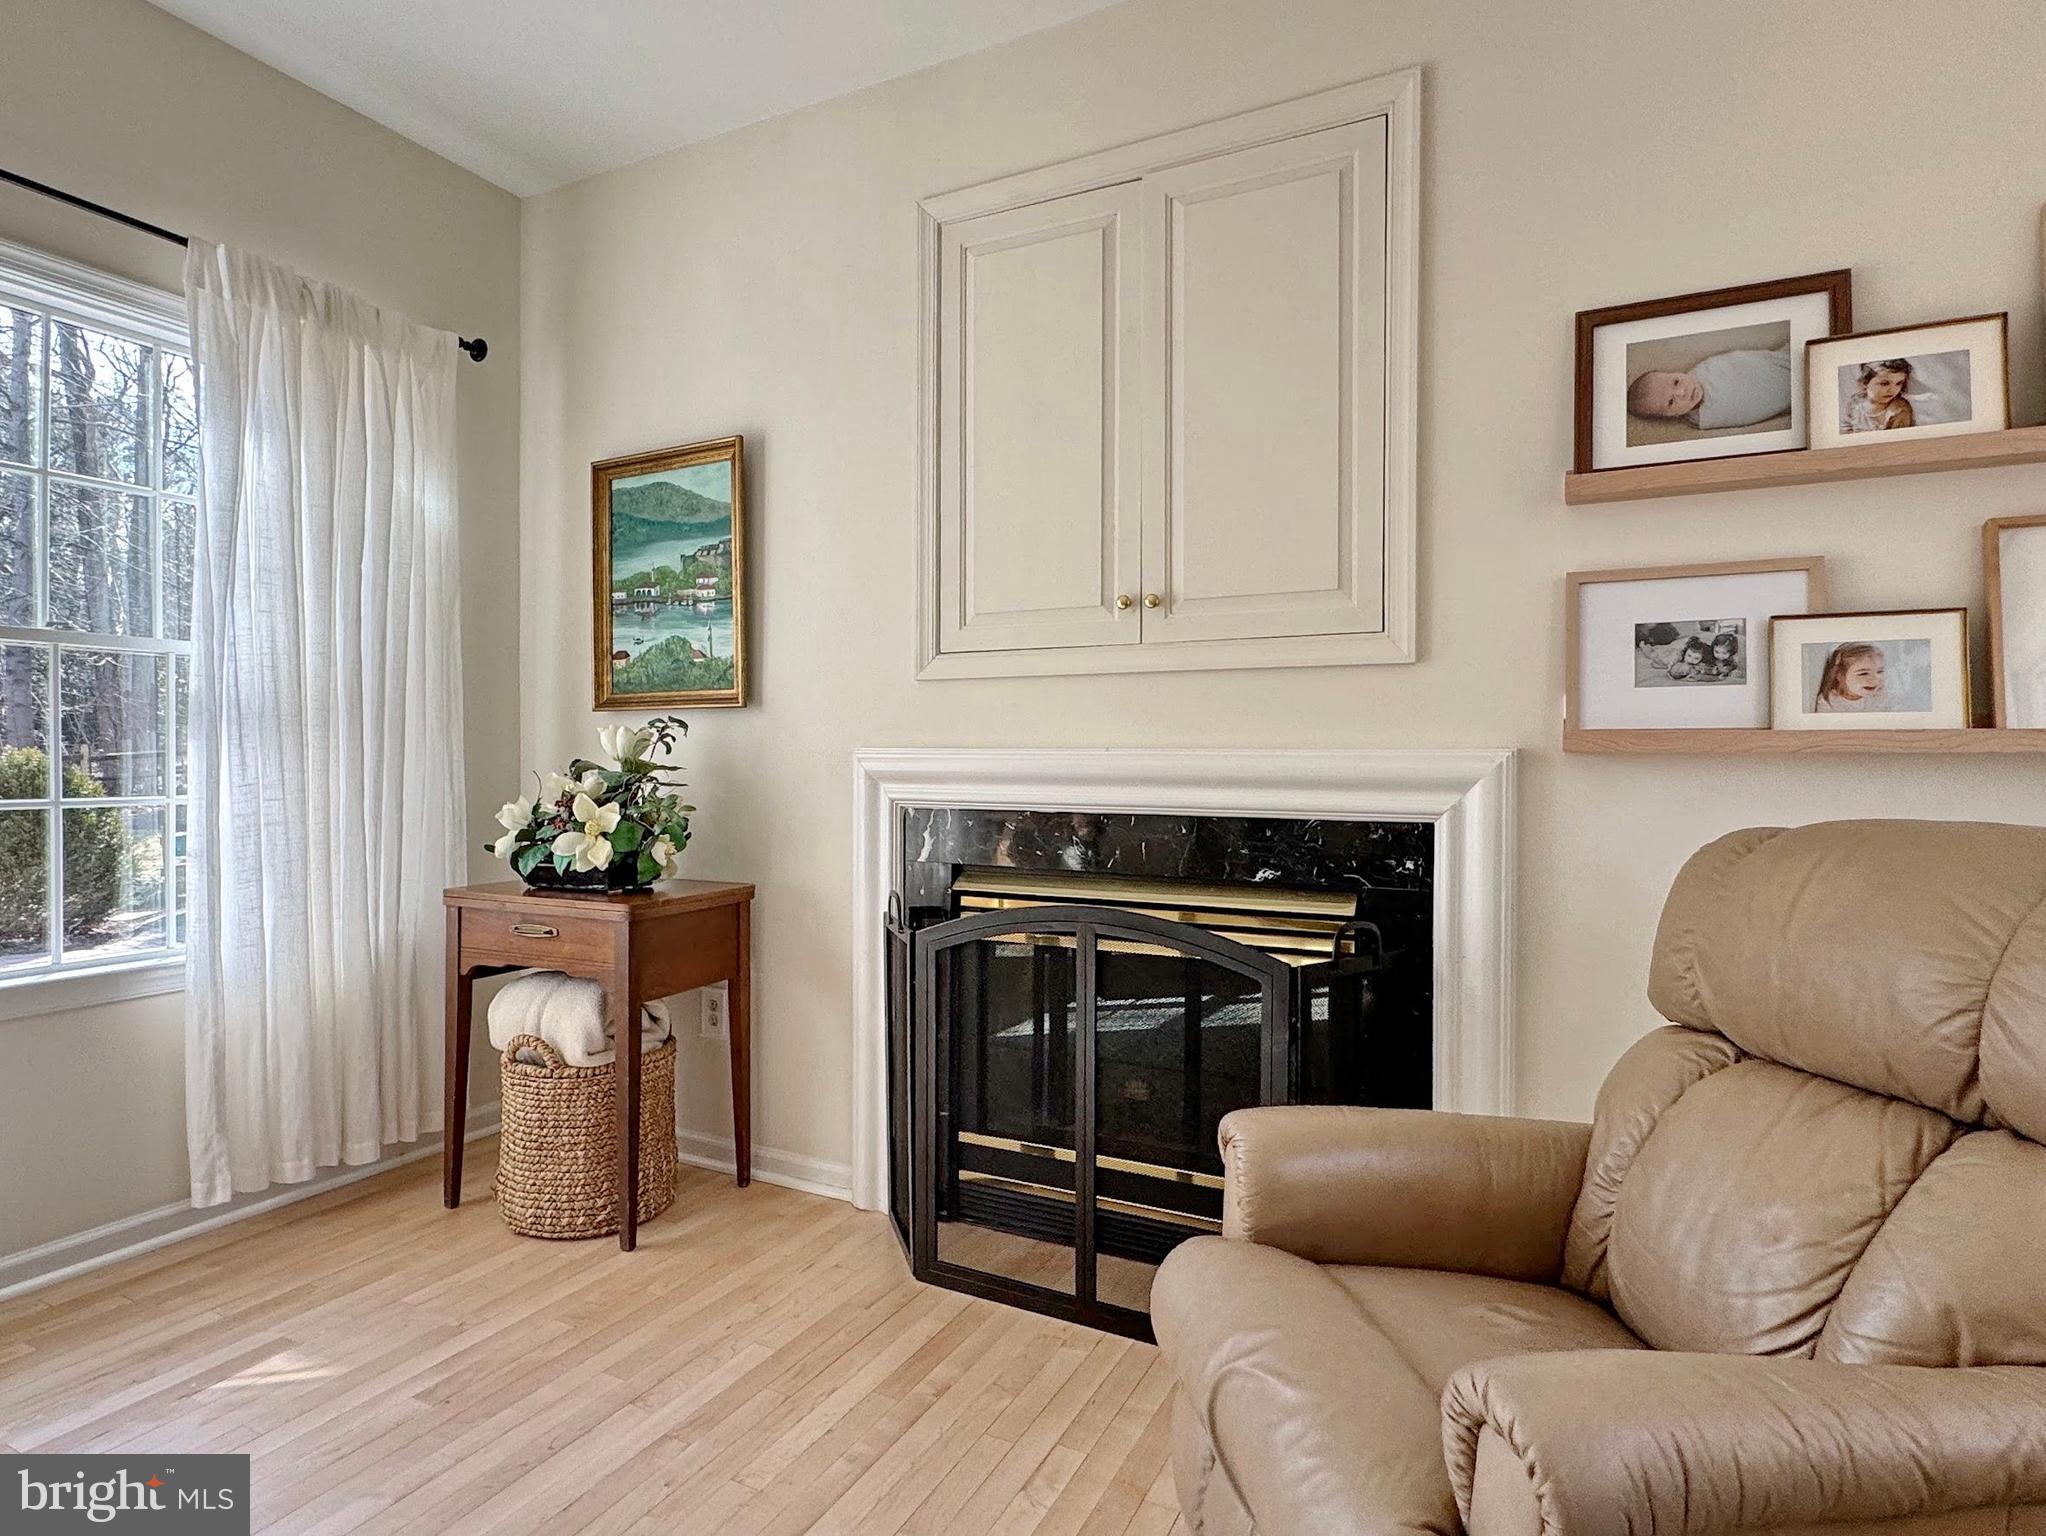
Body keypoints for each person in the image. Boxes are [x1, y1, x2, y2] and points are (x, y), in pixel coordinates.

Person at [1627, 343, 1791, 431]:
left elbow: (1740, 362)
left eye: (1676, 381)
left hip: (1777, 364)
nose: (1682, 392)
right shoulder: (1700, 420)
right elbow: (1741, 413)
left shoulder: (1705, 370)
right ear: (1670, 416)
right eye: (1671, 402)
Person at [1813, 642, 1889, 712]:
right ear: (1840, 675)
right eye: (1863, 673)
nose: (1876, 679)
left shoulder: (1881, 696)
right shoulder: (1828, 703)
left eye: (1880, 672)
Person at [1844, 359, 1915, 433]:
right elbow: (1847, 427)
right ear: (1865, 382)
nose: (1893, 390)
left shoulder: (1900, 410)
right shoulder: (1856, 401)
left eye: (1898, 383)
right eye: (1884, 383)